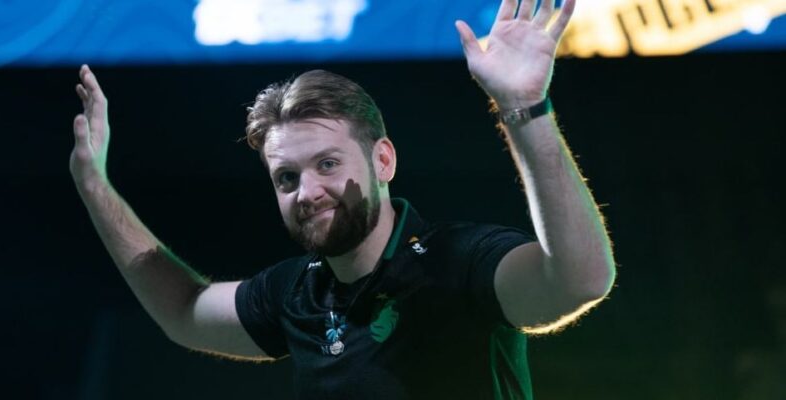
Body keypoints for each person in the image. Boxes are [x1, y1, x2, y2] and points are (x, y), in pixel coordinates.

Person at [69, 0, 615, 398]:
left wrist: (524, 108)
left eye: (328, 164)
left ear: (384, 161)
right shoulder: (295, 293)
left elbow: (582, 279)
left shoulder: (458, 261)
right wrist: (96, 189)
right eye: (287, 178)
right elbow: (184, 311)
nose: (308, 192)